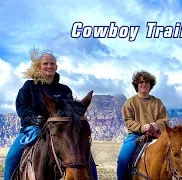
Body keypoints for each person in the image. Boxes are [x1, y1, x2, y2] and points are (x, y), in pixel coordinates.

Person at [4, 48, 98, 180]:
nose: (49, 66)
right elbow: (22, 107)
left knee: (87, 161)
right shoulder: (29, 86)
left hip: (61, 131)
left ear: (56, 67)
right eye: (45, 63)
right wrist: (36, 120)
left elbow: (70, 112)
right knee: (11, 158)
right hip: (33, 129)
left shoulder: (64, 90)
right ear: (39, 67)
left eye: (52, 64)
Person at [117, 70, 169, 180]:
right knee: (123, 159)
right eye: (141, 82)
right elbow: (128, 121)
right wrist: (141, 127)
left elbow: (164, 120)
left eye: (146, 82)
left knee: (176, 154)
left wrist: (157, 125)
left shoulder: (157, 102)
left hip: (157, 136)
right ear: (137, 85)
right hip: (136, 136)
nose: (144, 84)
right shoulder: (130, 102)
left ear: (150, 85)